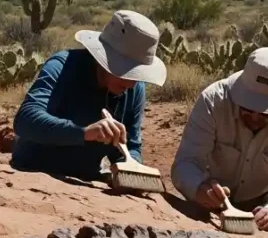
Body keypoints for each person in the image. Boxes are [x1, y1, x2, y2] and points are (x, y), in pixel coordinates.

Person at [171, 47, 268, 231]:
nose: (255, 117)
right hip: (209, 198)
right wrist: (198, 188)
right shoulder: (213, 100)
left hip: (265, 200)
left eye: (265, 112)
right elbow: (186, 163)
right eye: (248, 107)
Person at [11, 10, 166, 180]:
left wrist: (130, 166)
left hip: (86, 179)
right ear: (104, 57)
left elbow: (131, 145)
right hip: (32, 171)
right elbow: (25, 120)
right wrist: (84, 132)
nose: (131, 84)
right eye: (126, 71)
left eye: (137, 74)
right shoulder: (63, 66)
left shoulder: (135, 89)